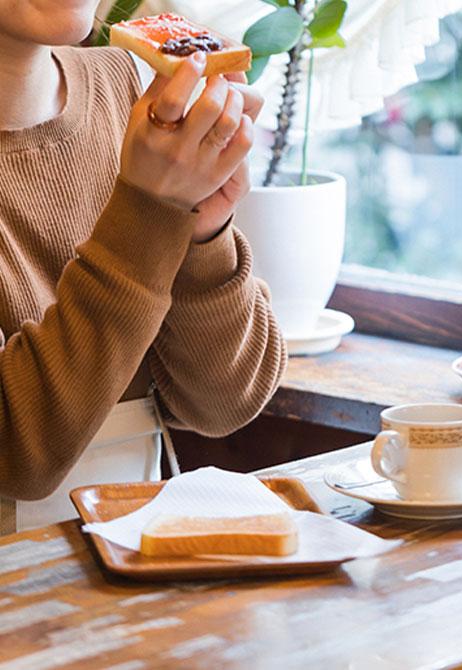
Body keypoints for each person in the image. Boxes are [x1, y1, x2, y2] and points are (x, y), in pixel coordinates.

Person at [0, 1, 286, 530]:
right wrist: (149, 209)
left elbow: (225, 404)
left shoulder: (125, 86)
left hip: (130, 571)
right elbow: (20, 453)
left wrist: (204, 226)